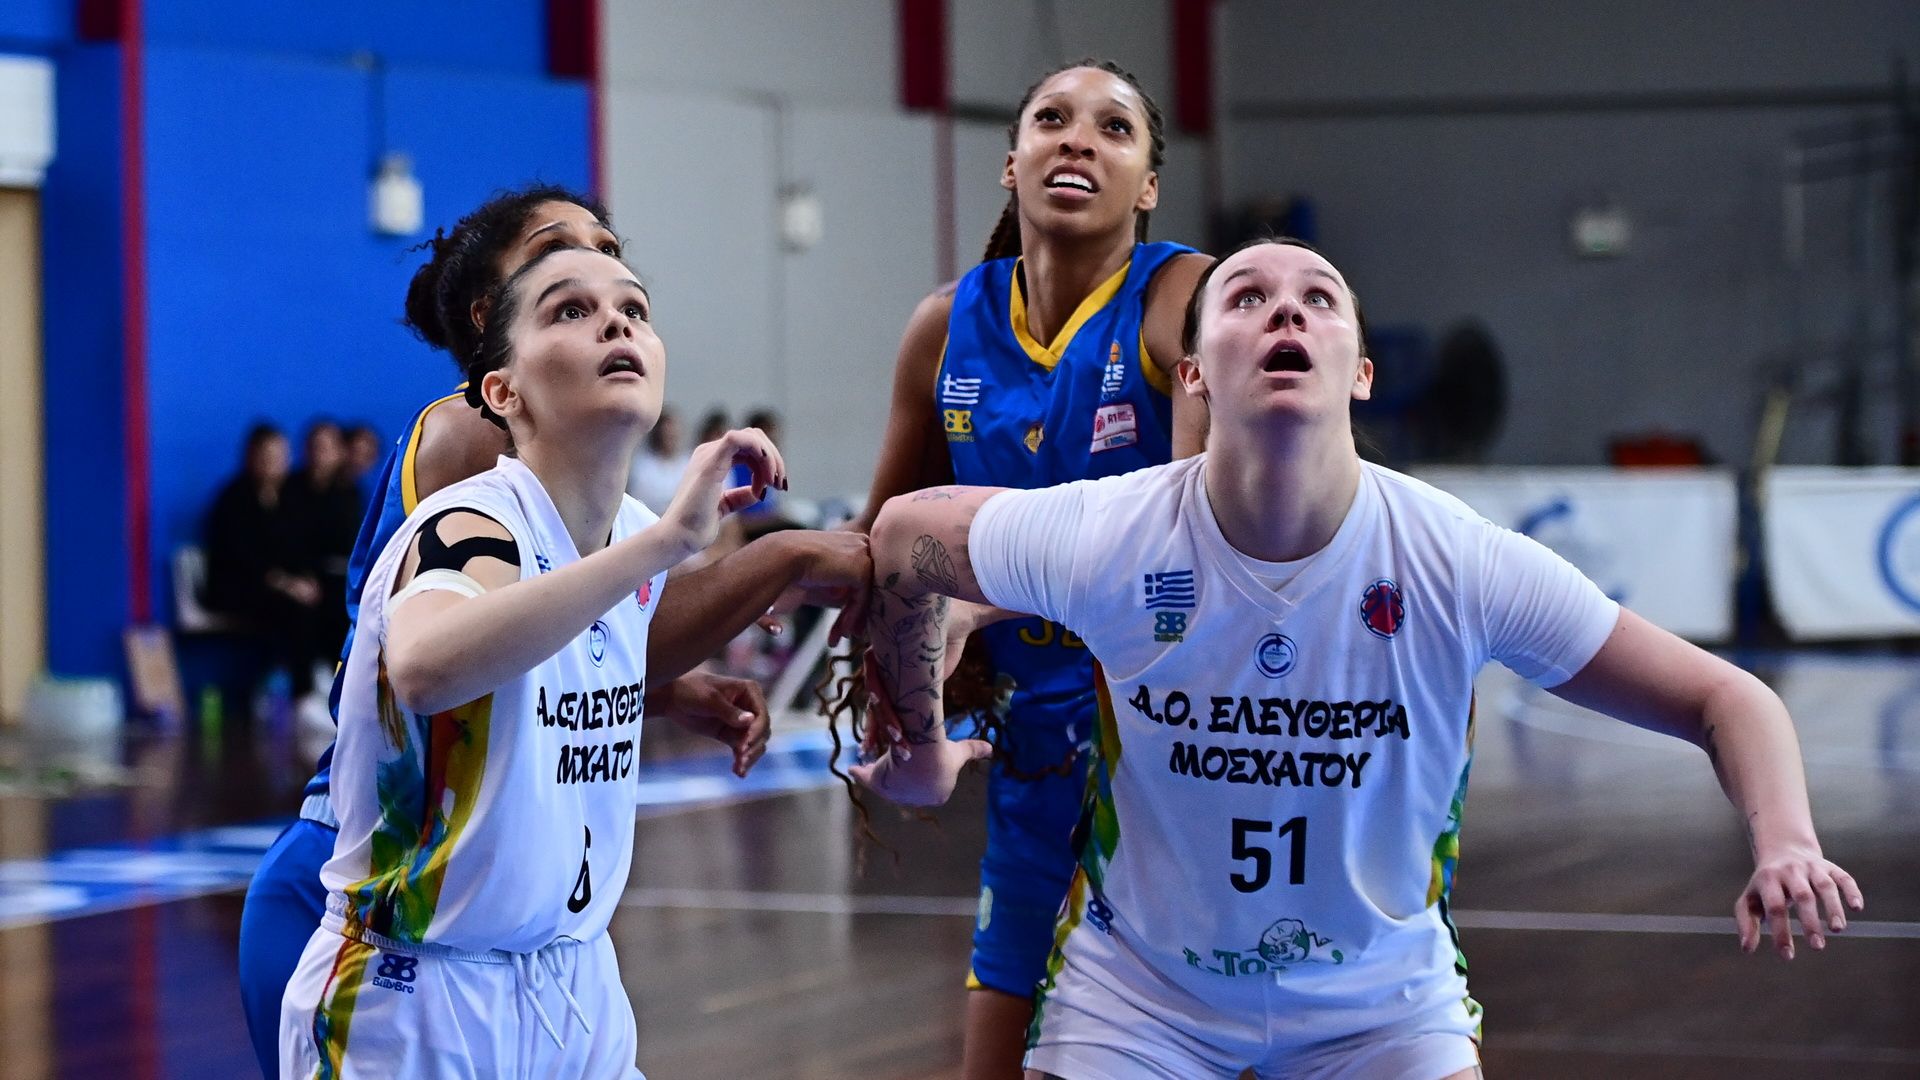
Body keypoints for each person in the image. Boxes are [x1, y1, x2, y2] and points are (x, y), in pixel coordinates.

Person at [852, 237, 1865, 1079]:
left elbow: (1726, 698)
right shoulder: (1115, 533)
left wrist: (1786, 841)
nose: (1286, 311)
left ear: (1362, 372)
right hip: (1142, 998)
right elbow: (901, 538)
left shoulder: (1454, 559)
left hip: (1382, 1007)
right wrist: (920, 738)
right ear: (1193, 372)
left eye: (1319, 299)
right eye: (1247, 297)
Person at [238, 186, 869, 1076]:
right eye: (565, 292)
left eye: (627, 292)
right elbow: (430, 662)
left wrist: (652, 682)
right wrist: (722, 553)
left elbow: (560, 639)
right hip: (408, 928)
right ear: (499, 369)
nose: (611, 309)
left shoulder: (620, 521)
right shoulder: (473, 475)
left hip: (564, 974)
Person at [847, 58, 1210, 1077]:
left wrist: (983, 604)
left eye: (1114, 127)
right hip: (1032, 745)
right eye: (1052, 119)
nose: (1078, 138)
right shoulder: (945, 323)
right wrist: (778, 577)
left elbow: (1201, 533)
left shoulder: (1181, 292)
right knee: (995, 1057)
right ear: (1012, 163)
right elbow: (883, 538)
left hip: (1168, 740)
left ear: (1148, 185)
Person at [203, 422, 327, 695]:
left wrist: (307, 579)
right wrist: (286, 584)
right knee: (295, 609)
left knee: (328, 598)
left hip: (280, 586)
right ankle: (302, 692)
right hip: (237, 587)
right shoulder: (234, 499)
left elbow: (299, 547)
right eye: (268, 456)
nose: (276, 463)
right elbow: (242, 557)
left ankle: (325, 674)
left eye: (281, 455)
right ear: (252, 457)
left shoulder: (290, 498)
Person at [627, 404, 688, 514]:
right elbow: (640, 500)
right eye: (668, 435)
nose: (671, 438)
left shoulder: (687, 464)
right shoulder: (642, 466)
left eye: (674, 435)